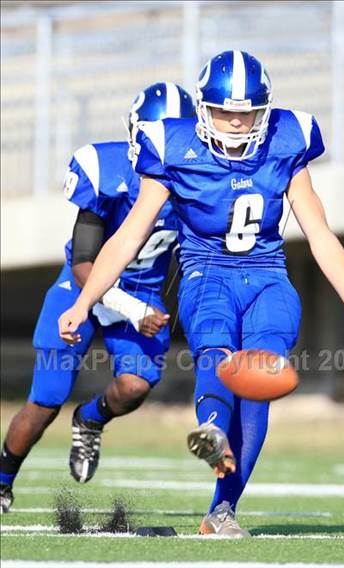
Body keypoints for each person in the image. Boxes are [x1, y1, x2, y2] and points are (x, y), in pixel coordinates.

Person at [57, 50, 344, 537]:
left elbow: (319, 232)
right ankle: (212, 428)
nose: (236, 122)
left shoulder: (287, 139)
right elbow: (128, 236)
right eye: (223, 112)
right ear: (202, 108)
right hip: (206, 273)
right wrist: (83, 303)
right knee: (216, 351)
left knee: (261, 379)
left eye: (247, 112)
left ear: (264, 108)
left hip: (268, 274)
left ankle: (222, 510)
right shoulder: (173, 148)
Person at [0, 82, 195, 514]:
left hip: (144, 289)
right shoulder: (106, 171)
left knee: (136, 385)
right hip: (82, 289)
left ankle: (90, 419)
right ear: (134, 134)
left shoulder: (198, 185)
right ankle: (2, 479)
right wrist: (131, 308)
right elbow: (85, 261)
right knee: (46, 398)